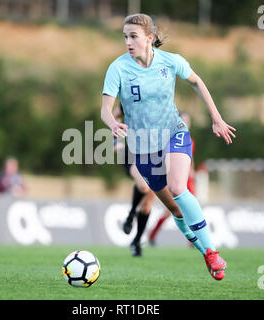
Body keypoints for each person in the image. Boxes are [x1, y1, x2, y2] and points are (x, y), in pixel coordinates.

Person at [101, 14, 236, 280]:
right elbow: (106, 108)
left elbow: (197, 82)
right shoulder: (118, 68)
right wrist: (112, 125)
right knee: (175, 209)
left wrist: (216, 117)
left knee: (178, 188)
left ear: (149, 38)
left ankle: (211, 251)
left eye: (134, 36)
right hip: (142, 149)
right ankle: (205, 254)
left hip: (174, 133)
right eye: (125, 37)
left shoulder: (171, 61)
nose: (128, 42)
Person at [113, 103, 156, 257]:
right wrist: (115, 141)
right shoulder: (130, 96)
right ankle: (131, 215)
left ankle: (136, 241)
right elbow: (115, 115)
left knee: (146, 206)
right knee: (144, 186)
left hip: (155, 154)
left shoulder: (160, 99)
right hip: (132, 152)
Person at [148, 112, 196, 247]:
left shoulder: (190, 139)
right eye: (183, 120)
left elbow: (190, 159)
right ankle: (152, 234)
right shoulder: (171, 138)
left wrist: (192, 170)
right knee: (172, 210)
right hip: (177, 178)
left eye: (188, 121)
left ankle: (193, 240)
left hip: (188, 180)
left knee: (191, 208)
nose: (186, 123)